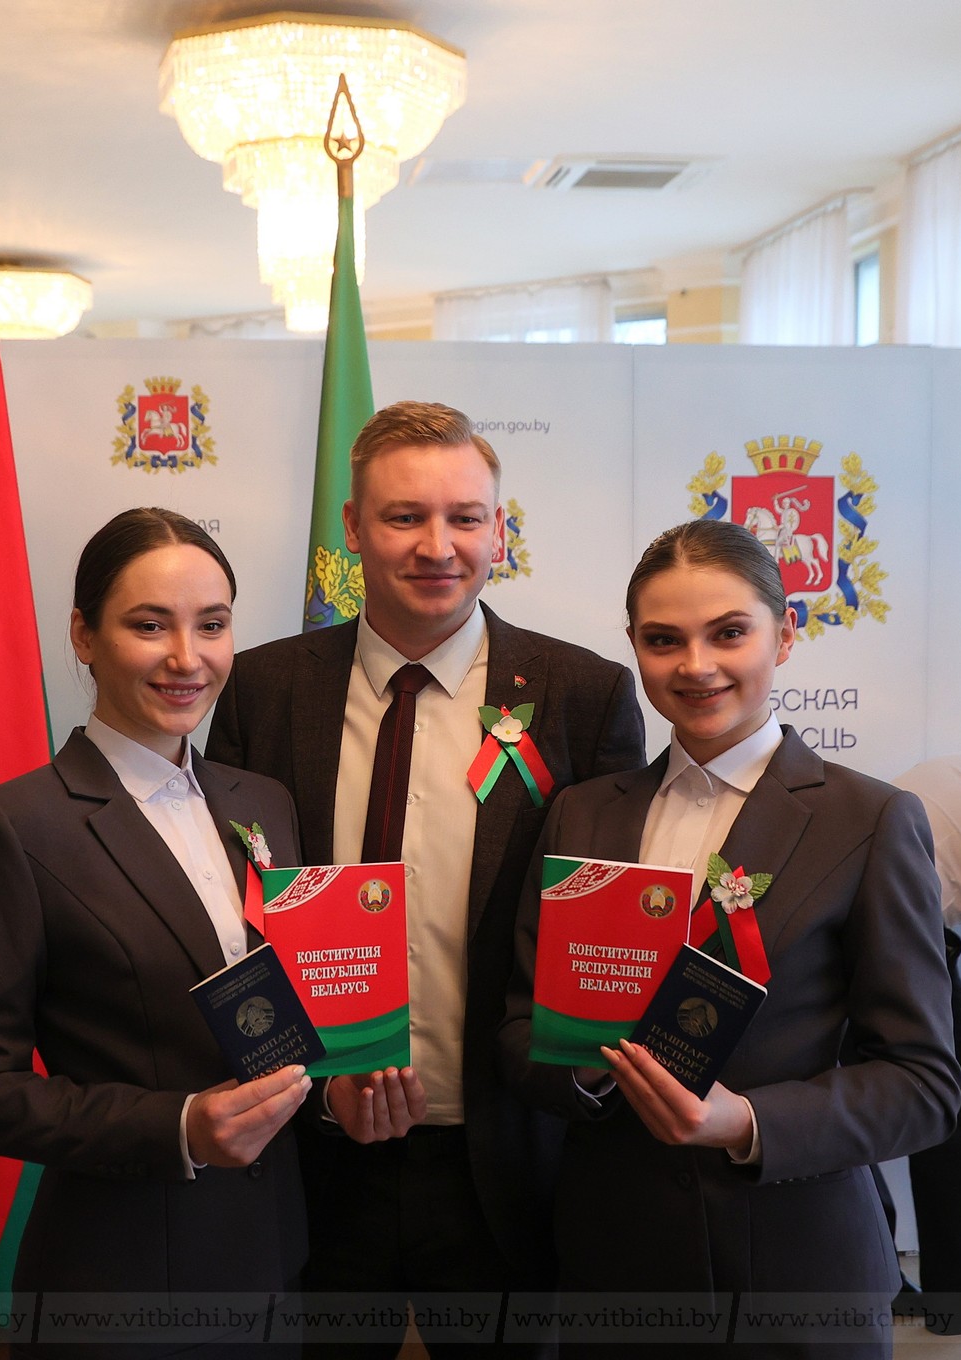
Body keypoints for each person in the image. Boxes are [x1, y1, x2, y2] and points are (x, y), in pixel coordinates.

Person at [206, 401, 646, 1357]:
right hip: (312, 1150)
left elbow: (601, 947)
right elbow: (235, 923)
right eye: (404, 516)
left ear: (500, 529)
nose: (437, 546)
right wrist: (312, 1087)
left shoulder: (584, 695)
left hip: (504, 1159)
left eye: (465, 517)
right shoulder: (263, 689)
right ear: (353, 527)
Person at [498, 518, 961, 1358]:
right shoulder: (584, 814)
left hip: (797, 1271)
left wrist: (743, 1121)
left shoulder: (870, 819)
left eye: (729, 633)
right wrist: (586, 1072)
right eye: (664, 640)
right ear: (634, 648)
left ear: (785, 634)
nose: (696, 665)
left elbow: (922, 1084)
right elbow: (521, 1028)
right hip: (617, 1266)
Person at [0, 508, 310, 1359]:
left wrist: (339, 1085)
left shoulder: (263, 802)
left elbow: (278, 1018)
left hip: (277, 1265)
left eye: (211, 625)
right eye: (149, 625)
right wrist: (179, 1128)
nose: (187, 658)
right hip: (122, 1286)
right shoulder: (17, 826)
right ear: (84, 635)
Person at [888, 754, 961, 1335]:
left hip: (835, 927)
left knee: (841, 1109)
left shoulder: (960, 767)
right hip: (909, 935)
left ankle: (881, 1280)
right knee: (950, 1116)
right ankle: (958, 1299)